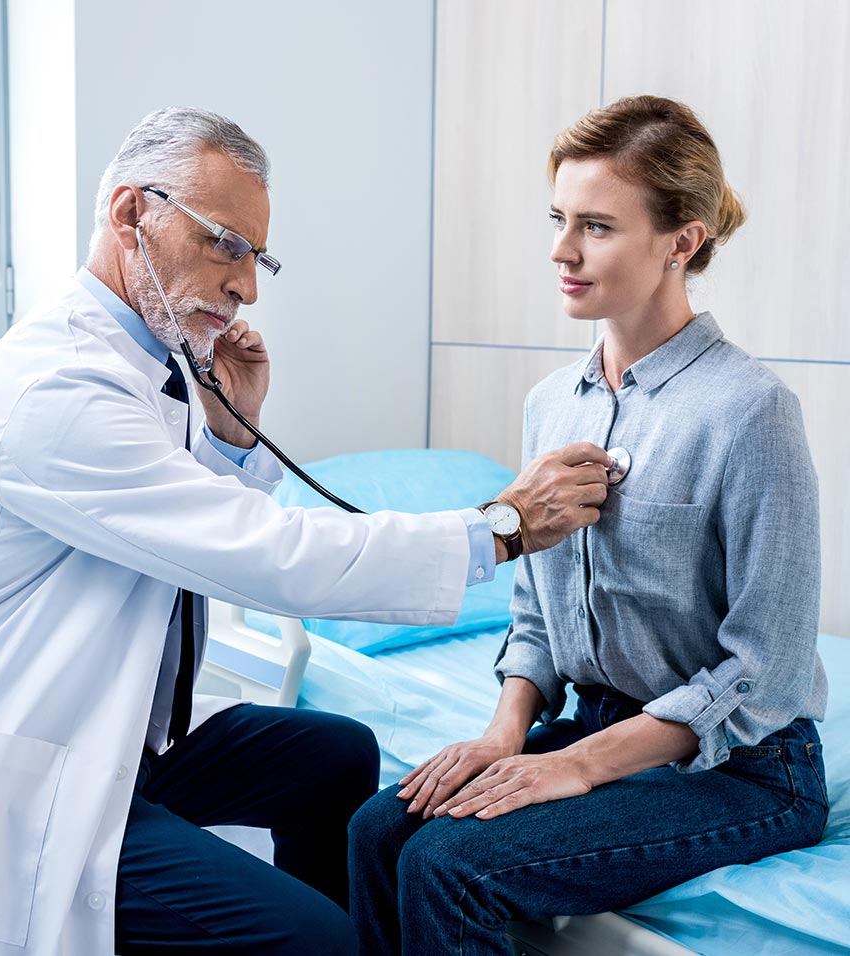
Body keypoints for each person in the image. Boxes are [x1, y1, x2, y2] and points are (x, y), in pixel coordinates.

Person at [0, 107, 612, 956]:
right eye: (225, 243)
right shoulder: (60, 387)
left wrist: (231, 433)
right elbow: (265, 554)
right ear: (131, 214)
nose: (248, 286)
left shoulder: (149, 365)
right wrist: (499, 529)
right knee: (316, 940)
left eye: (257, 255)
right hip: (19, 784)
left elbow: (169, 531)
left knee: (337, 754)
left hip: (109, 738)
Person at [348, 95, 830, 956]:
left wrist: (570, 765)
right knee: (378, 831)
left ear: (681, 241)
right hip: (601, 724)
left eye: (596, 226)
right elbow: (536, 614)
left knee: (450, 866)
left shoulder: (749, 411)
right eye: (559, 219)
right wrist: (506, 733)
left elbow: (768, 672)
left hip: (745, 770)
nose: (561, 251)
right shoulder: (551, 406)